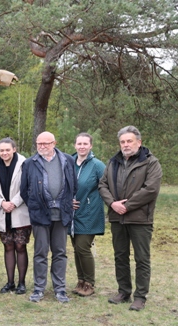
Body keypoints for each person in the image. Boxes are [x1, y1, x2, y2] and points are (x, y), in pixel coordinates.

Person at [98, 126, 162, 311]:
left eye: (129, 141)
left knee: (142, 259)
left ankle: (140, 296)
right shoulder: (113, 162)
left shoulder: (151, 163)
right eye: (122, 142)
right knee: (120, 256)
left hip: (140, 219)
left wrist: (126, 205)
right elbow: (102, 185)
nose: (126, 145)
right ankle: (123, 291)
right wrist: (113, 204)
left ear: (139, 142)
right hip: (117, 218)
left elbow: (151, 189)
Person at [20, 131, 77, 303]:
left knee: (60, 253)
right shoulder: (30, 163)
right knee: (40, 253)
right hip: (40, 216)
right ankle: (39, 289)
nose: (42, 146)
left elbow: (73, 186)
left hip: (61, 215)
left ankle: (60, 290)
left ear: (54, 143)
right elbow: (24, 190)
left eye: (46, 143)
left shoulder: (68, 160)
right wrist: (36, 206)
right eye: (39, 144)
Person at [0, 138, 31, 295]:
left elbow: (27, 186)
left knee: (20, 246)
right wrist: (1, 203)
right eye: (1, 150)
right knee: (8, 246)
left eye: (7, 150)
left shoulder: (24, 163)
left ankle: (21, 283)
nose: (4, 153)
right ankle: (10, 282)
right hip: (3, 212)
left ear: (14, 149)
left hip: (20, 211)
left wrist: (14, 202)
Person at [69, 133, 106, 297]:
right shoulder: (69, 163)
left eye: (85, 144)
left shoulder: (97, 165)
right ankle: (81, 281)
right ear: (75, 145)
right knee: (77, 249)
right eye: (79, 143)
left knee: (83, 247)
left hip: (90, 214)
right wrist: (67, 201)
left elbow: (106, 186)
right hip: (72, 215)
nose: (82, 146)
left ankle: (90, 283)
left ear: (90, 146)